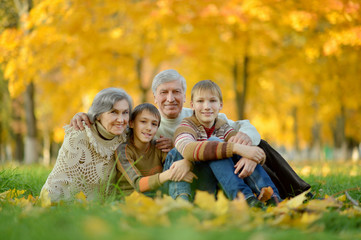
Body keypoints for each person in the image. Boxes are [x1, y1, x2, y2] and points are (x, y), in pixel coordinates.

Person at [71, 69, 311, 199]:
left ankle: (295, 190)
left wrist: (247, 147)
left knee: (262, 145)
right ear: (154, 97)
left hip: (216, 164)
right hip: (187, 176)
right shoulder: (146, 119)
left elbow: (244, 125)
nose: (170, 98)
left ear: (185, 97)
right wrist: (87, 116)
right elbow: (114, 120)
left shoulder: (199, 113)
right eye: (164, 92)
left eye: (176, 92)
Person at [164, 80, 281, 207]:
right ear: (192, 105)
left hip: (218, 184)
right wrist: (237, 148)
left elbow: (243, 148)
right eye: (200, 101)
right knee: (216, 144)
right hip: (197, 185)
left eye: (212, 101)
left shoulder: (223, 127)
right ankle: (244, 199)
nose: (207, 106)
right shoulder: (186, 126)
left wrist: (249, 157)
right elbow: (187, 149)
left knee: (231, 150)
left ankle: (272, 198)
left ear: (220, 105)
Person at [41, 88, 133, 202]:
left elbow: (150, 123)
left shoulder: (127, 136)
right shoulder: (79, 137)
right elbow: (57, 183)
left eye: (125, 112)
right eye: (113, 112)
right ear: (98, 115)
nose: (121, 119)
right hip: (75, 207)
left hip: (112, 208)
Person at [115, 103, 197, 197]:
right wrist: (171, 173)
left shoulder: (158, 146)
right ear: (131, 123)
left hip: (158, 194)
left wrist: (187, 163)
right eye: (143, 121)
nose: (149, 128)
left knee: (176, 153)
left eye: (154, 124)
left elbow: (176, 163)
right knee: (176, 173)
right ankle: (182, 203)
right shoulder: (123, 150)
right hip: (133, 198)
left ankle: (182, 201)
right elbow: (138, 184)